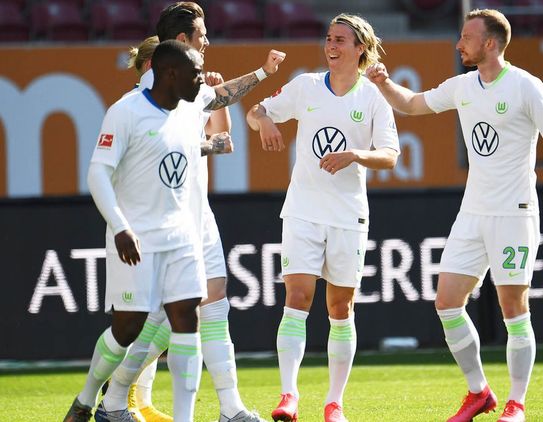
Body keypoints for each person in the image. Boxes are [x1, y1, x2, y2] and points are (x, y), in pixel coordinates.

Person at [366, 8, 543, 422]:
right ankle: (479, 392)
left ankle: (517, 403)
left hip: (514, 213)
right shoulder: (463, 85)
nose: (459, 44)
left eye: (467, 37)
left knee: (513, 307)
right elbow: (412, 104)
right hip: (473, 212)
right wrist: (383, 82)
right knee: (447, 302)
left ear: (490, 43)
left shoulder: (526, 86)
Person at [99, 3, 285, 422]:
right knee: (167, 317)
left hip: (198, 216)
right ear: (182, 41)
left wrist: (262, 73)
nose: (207, 41)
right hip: (164, 222)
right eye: (202, 35)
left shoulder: (190, 87)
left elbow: (221, 116)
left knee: (214, 302)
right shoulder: (146, 100)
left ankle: (230, 407)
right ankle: (114, 397)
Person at [246, 13, 400, 422]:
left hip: (348, 215)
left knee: (340, 307)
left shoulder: (373, 97)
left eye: (340, 40)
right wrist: (264, 121)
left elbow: (390, 155)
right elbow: (256, 111)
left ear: (360, 48)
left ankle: (334, 403)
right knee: (297, 298)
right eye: (329, 38)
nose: (331, 46)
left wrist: (355, 155)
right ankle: (288, 396)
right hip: (303, 211)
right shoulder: (306, 86)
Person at [63, 39, 212, 422]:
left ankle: (185, 418)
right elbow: (98, 173)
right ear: (170, 74)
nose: (202, 80)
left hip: (181, 237)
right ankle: (85, 399)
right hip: (136, 239)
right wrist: (120, 227)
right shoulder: (125, 112)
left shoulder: (190, 110)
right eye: (196, 73)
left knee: (187, 319)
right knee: (127, 327)